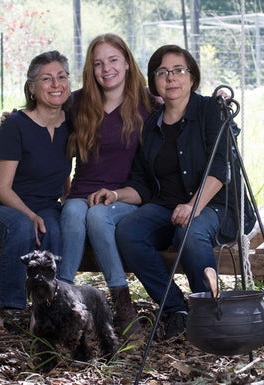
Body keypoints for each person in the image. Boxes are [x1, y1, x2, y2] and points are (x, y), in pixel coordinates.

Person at [89, 45, 256, 340]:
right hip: (167, 207)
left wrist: (193, 206)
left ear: (192, 77)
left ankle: (210, 312)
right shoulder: (151, 125)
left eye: (179, 70)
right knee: (128, 231)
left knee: (188, 233)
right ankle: (174, 309)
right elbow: (141, 185)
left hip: (217, 205)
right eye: (163, 72)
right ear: (154, 82)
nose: (171, 78)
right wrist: (116, 195)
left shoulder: (211, 111)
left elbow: (221, 170)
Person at [57, 34, 158, 336]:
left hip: (127, 195)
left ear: (127, 62)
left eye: (113, 60)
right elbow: (46, 127)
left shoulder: (149, 104)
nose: (106, 68)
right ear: (91, 69)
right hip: (82, 191)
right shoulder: (76, 102)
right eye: (98, 63)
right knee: (73, 213)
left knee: (99, 215)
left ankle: (123, 305)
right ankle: (62, 302)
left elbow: (188, 107)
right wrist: (14, 117)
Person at [0, 51, 73, 332]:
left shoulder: (71, 122)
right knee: (22, 228)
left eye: (61, 77)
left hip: (46, 204)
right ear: (31, 87)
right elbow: (2, 188)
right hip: (0, 207)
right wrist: (30, 215)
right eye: (46, 78)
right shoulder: (14, 127)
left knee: (53, 230)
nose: (56, 84)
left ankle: (41, 312)